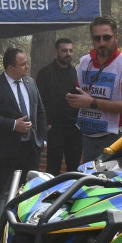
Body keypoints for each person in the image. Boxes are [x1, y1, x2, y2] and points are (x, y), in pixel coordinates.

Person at [66, 15, 122, 163]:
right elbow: (80, 94)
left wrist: (92, 102)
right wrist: (74, 99)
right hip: (87, 138)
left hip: (115, 138)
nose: (102, 43)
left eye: (107, 37)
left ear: (116, 37)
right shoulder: (84, 62)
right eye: (97, 38)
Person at [0, 47, 47, 208]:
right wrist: (13, 125)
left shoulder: (30, 83)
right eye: (23, 64)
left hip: (31, 150)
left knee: (29, 193)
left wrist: (41, 140)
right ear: (10, 67)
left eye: (27, 63)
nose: (27, 66)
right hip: (4, 153)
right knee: (1, 193)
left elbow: (40, 112)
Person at [36, 38, 81, 175]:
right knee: (53, 168)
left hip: (74, 128)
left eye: (71, 51)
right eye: (64, 51)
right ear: (56, 52)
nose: (68, 54)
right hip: (54, 129)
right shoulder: (45, 73)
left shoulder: (76, 72)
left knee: (74, 168)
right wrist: (45, 123)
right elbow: (38, 101)